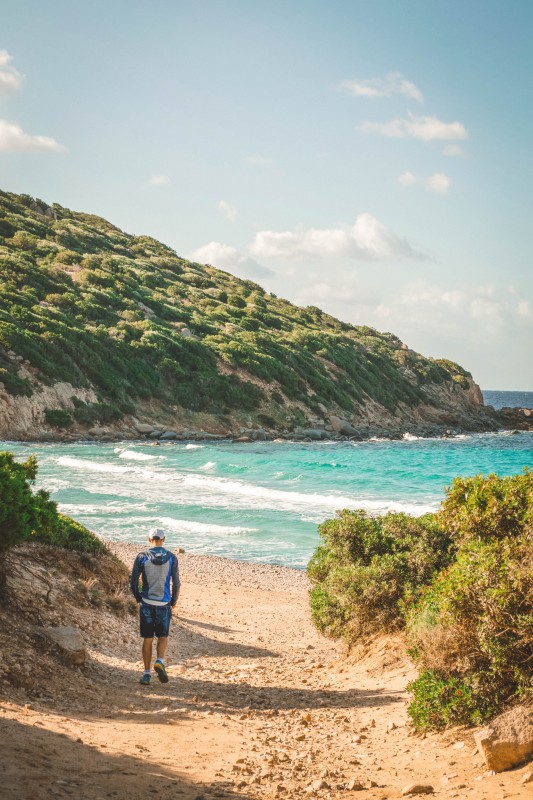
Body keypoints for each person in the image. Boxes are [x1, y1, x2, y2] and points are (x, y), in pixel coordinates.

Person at [130, 528, 180, 685]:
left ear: (149, 539)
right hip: (164, 603)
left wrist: (138, 597)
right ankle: (159, 660)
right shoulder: (172, 557)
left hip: (147, 603)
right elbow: (176, 582)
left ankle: (146, 674)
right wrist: (173, 601)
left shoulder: (142, 557)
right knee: (163, 636)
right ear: (163, 539)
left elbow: (133, 581)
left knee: (147, 639)